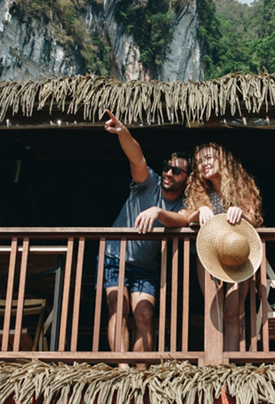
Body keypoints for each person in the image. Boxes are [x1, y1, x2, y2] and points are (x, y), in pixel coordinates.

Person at [102, 110, 190, 364]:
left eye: (176, 171)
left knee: (145, 316)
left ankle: (140, 374)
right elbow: (136, 156)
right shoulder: (148, 182)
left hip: (145, 266)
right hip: (114, 256)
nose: (168, 173)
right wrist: (123, 132)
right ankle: (123, 371)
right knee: (119, 309)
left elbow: (182, 219)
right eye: (166, 167)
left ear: (186, 179)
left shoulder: (184, 202)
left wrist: (158, 211)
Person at [183, 142, 263, 351]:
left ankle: (230, 364)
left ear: (222, 161)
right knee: (215, 309)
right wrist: (198, 213)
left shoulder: (240, 187)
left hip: (236, 253)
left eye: (208, 158)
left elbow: (254, 220)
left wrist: (241, 213)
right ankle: (215, 367)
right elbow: (185, 217)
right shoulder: (200, 193)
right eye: (199, 162)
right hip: (209, 254)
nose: (204, 164)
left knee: (232, 311)